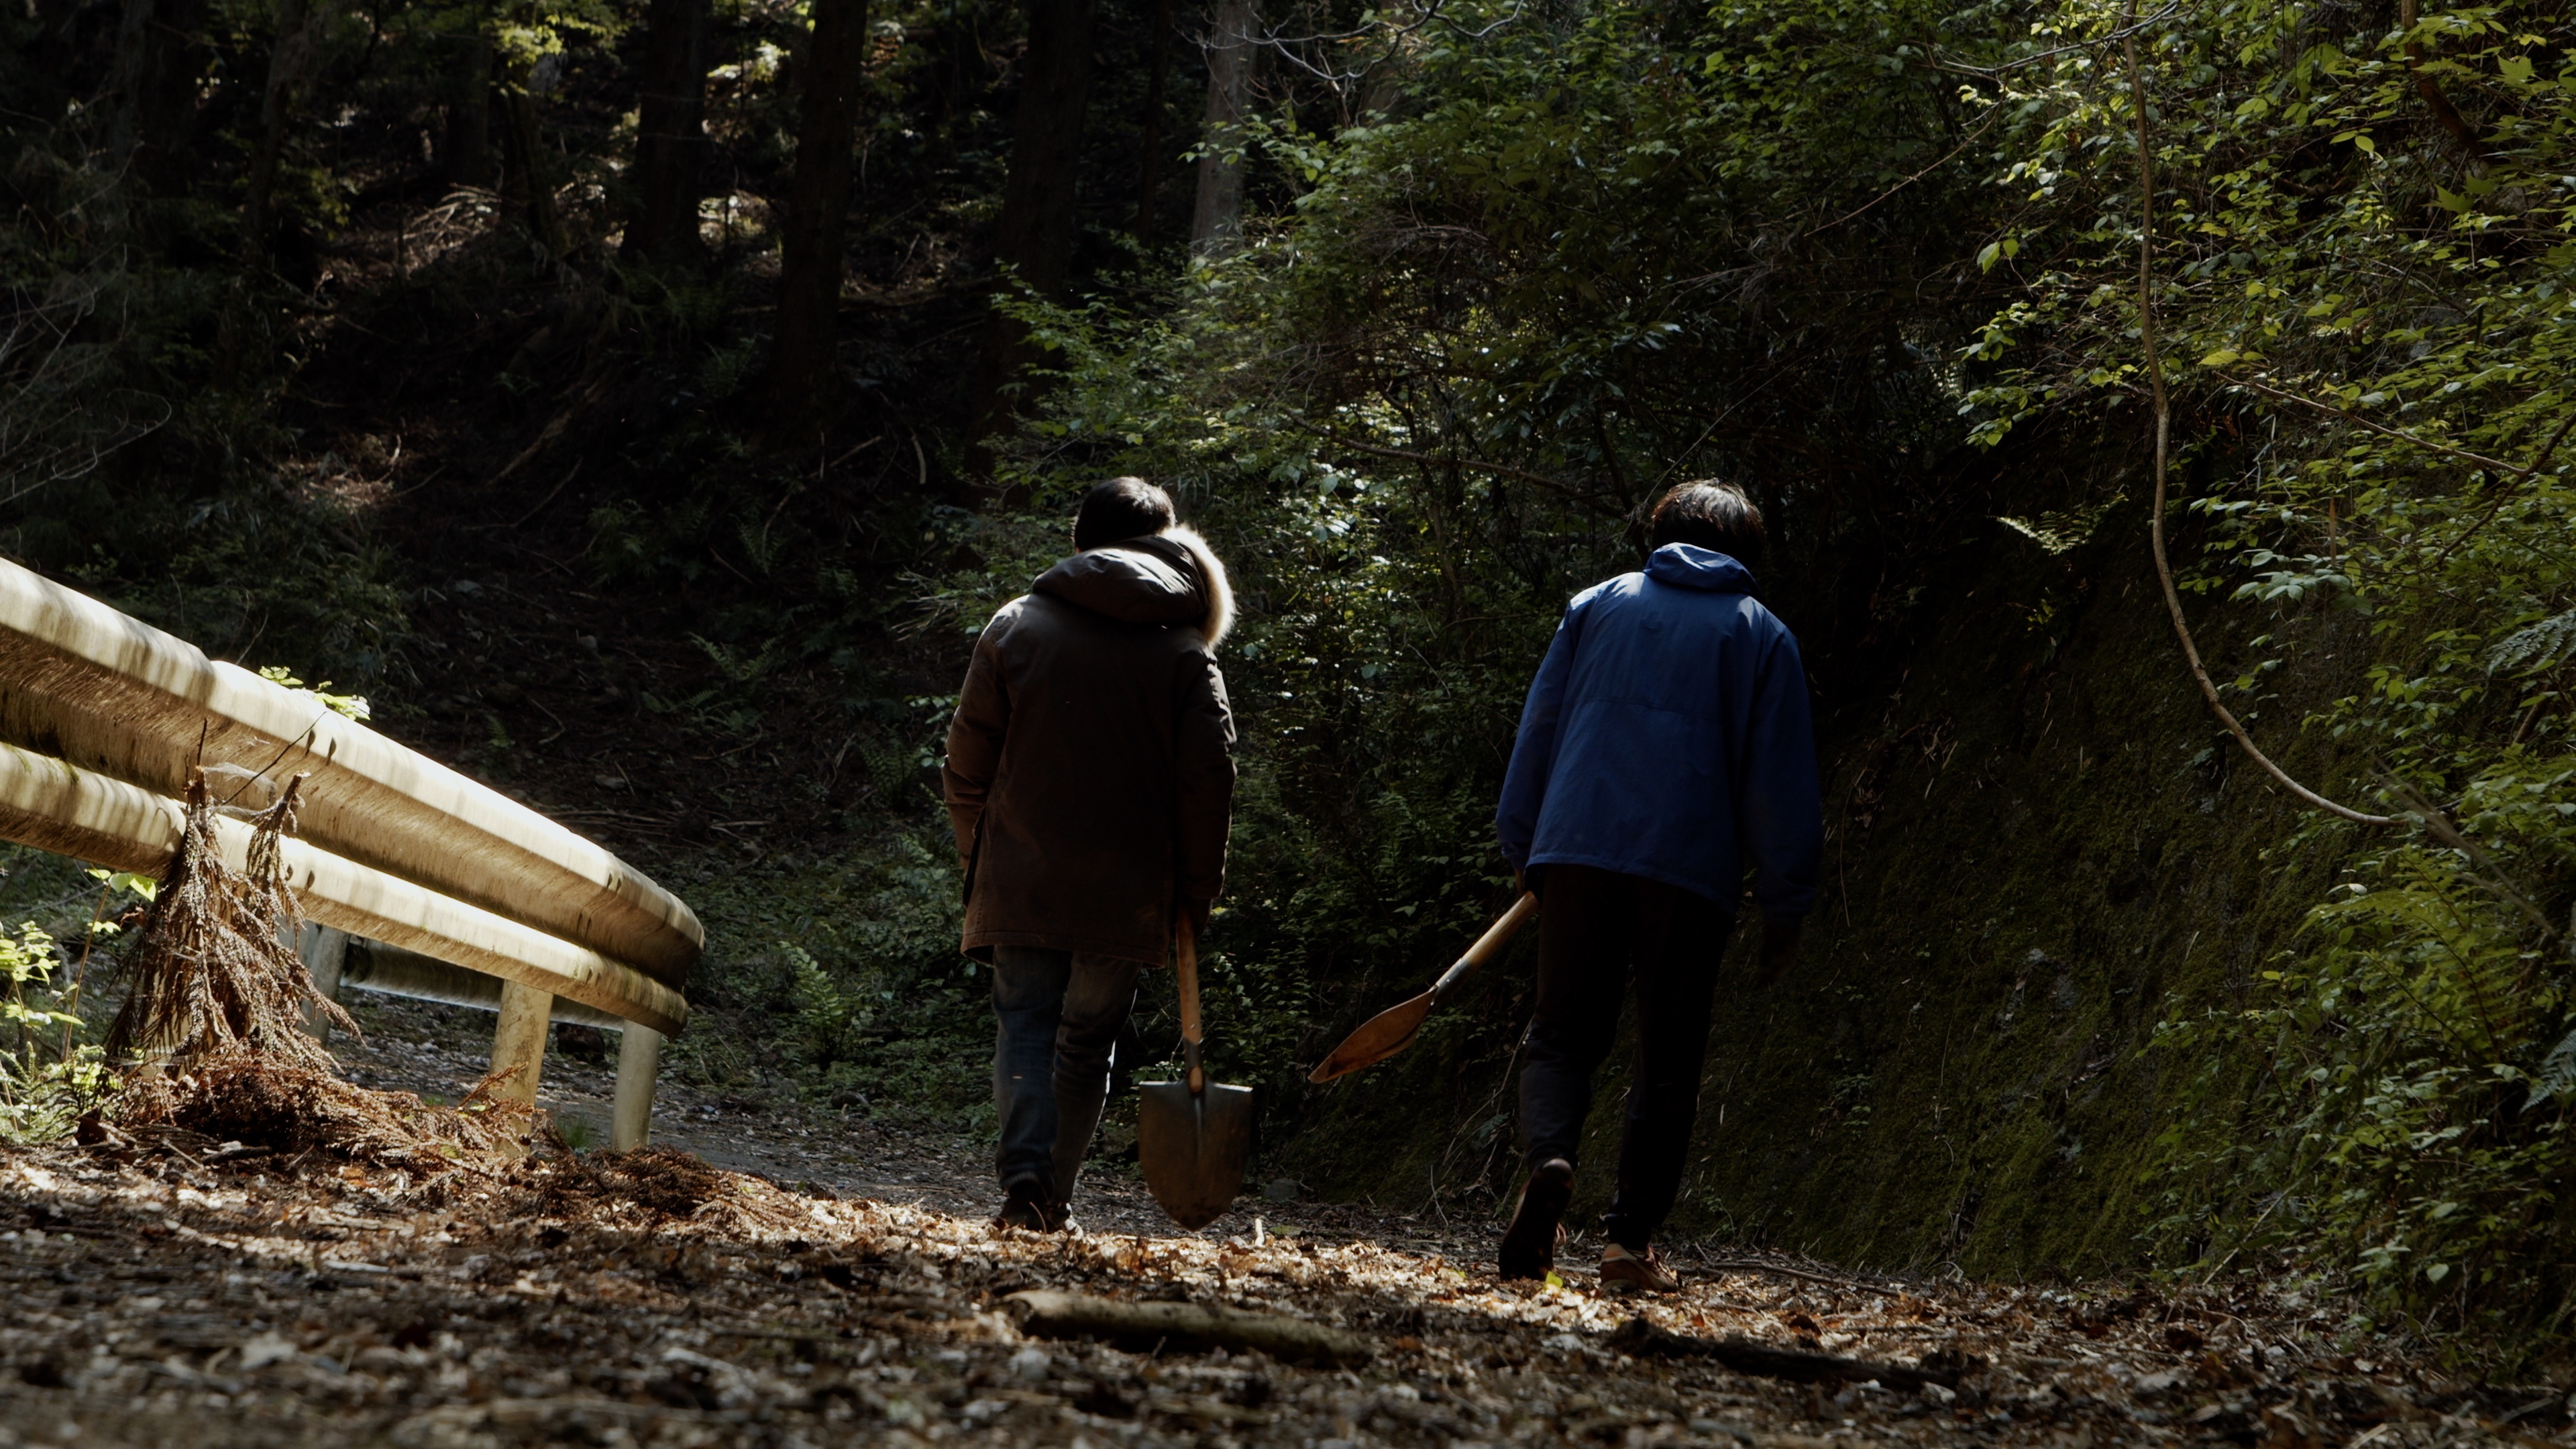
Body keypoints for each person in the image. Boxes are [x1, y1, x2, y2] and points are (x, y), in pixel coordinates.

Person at [1492, 480, 1821, 1291]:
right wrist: (1785, 904)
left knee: (1561, 1036)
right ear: (1748, 550)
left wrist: (1527, 843)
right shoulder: (1762, 635)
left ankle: (1551, 1164)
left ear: (1658, 532)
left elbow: (1541, 728)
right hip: (1688, 870)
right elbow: (1779, 786)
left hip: (1578, 847)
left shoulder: (1596, 606)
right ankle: (1627, 1246)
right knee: (1668, 1059)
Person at [941, 477, 1237, 1231]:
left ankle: (1025, 1189)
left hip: (1023, 874)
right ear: (1167, 543)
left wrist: (984, 860)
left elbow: (967, 767)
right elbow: (1209, 785)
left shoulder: (1017, 625)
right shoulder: (1184, 650)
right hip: (1128, 890)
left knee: (1026, 1023)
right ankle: (1054, 1200)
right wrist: (1195, 893)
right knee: (1084, 1043)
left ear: (1079, 542)